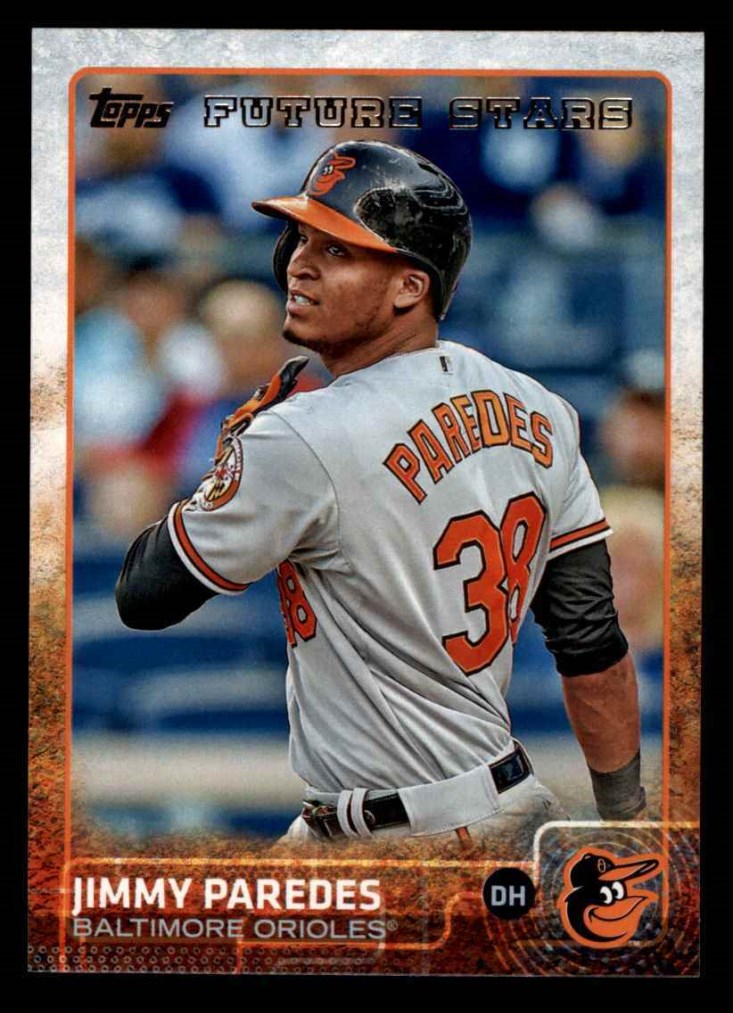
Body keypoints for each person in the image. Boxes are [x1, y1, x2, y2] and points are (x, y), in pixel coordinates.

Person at [115, 140, 646, 855]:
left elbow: (145, 596)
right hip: (493, 809)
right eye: (301, 239)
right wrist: (624, 819)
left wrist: (234, 453)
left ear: (408, 287)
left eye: (337, 250)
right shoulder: (542, 408)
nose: (298, 264)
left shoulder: (302, 433)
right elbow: (590, 641)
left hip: (410, 842)